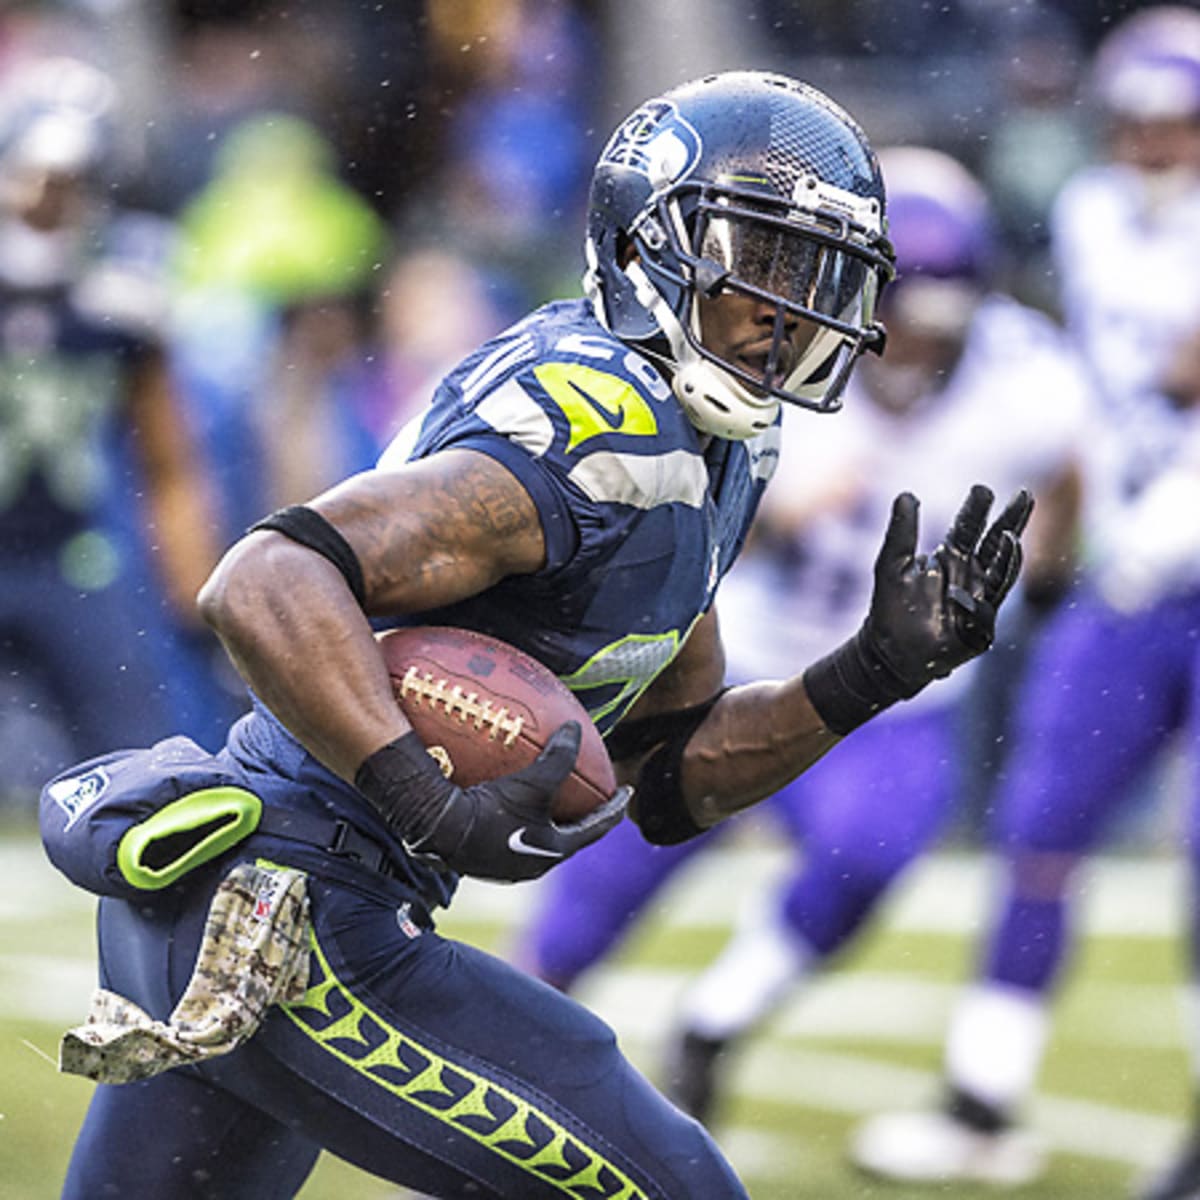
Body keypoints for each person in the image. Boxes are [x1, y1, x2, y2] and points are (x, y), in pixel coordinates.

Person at [39, 70, 1031, 1200]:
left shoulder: (713, 444)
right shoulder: (595, 425)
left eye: (811, 271)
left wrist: (865, 675)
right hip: (294, 904)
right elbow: (265, 577)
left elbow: (669, 775)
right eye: (756, 258)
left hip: (298, 891)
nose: (785, 303)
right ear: (655, 245)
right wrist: (416, 789)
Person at [512, 146, 1086, 1128]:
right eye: (900, 325)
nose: (913, 350)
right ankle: (518, 1023)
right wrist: (777, 515)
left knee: (873, 849)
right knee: (626, 841)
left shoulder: (1030, 379)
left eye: (939, 330)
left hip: (894, 692)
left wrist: (1034, 580)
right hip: (747, 649)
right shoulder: (765, 355)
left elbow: (1064, 481)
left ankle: (716, 1020)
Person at [850, 8, 1200, 1194]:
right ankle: (981, 1098)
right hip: (1129, 576)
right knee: (1041, 824)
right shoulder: (1095, 213)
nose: (1155, 145)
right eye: (1139, 123)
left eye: (1178, 123)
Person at [0, 54, 223, 802]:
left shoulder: (119, 302)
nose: (47, 199)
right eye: (36, 176)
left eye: (69, 182)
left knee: (142, 767)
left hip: (71, 557)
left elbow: (169, 459)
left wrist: (196, 590)